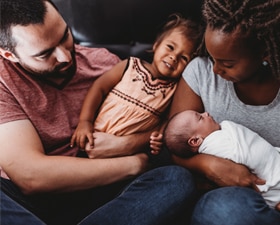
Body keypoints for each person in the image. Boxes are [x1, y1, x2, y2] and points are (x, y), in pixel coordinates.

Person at [0, 0, 197, 224]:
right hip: (21, 200)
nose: (65, 56)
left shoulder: (104, 62)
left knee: (176, 180)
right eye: (45, 54)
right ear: (9, 55)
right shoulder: (3, 80)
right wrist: (135, 164)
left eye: (65, 36)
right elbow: (30, 176)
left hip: (99, 192)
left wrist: (128, 145)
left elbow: (159, 126)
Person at [150, 0, 280, 224]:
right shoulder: (200, 72)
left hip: (275, 194)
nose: (215, 69)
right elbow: (176, 144)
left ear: (265, 52)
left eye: (227, 64)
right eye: (212, 57)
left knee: (228, 210)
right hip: (216, 194)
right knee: (216, 203)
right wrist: (209, 166)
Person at [70, 14, 202, 157]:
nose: (173, 57)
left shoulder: (174, 90)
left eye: (184, 58)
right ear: (156, 45)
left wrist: (157, 137)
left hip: (128, 153)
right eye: (170, 47)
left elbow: (167, 122)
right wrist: (85, 121)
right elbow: (98, 88)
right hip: (94, 136)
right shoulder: (129, 66)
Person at [163, 109, 280, 208]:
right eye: (201, 117)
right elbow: (243, 156)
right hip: (276, 186)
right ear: (195, 141)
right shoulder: (214, 145)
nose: (207, 113)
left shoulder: (218, 133)